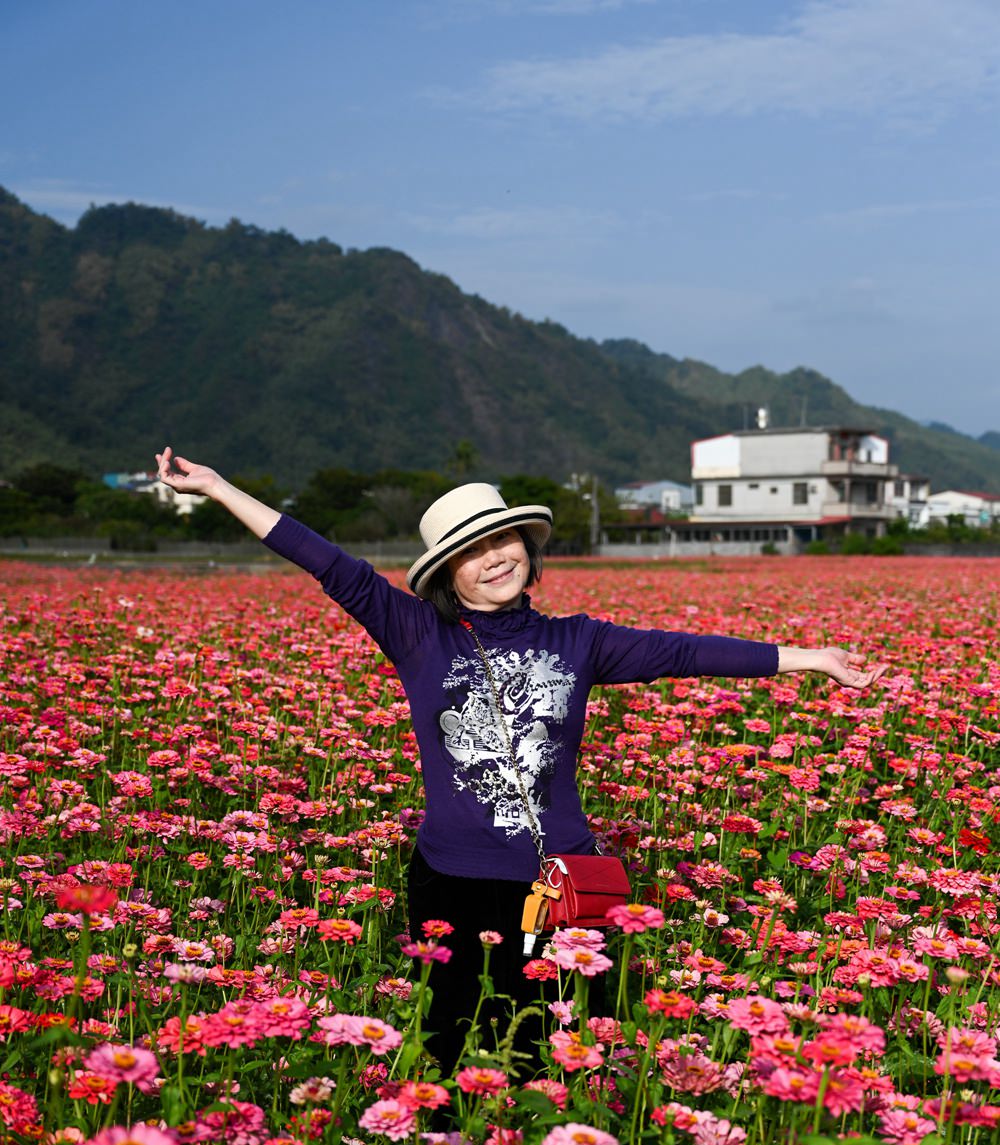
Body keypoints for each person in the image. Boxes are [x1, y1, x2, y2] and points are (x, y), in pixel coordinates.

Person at [155, 448, 887, 1074]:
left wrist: (810, 658)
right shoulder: (416, 634)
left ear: (527, 549)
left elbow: (684, 651)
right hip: (452, 880)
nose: (494, 557)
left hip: (557, 877)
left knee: (549, 1046)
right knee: (444, 1038)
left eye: (503, 539)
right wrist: (219, 489)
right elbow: (327, 563)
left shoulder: (581, 640)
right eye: (472, 551)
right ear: (447, 573)